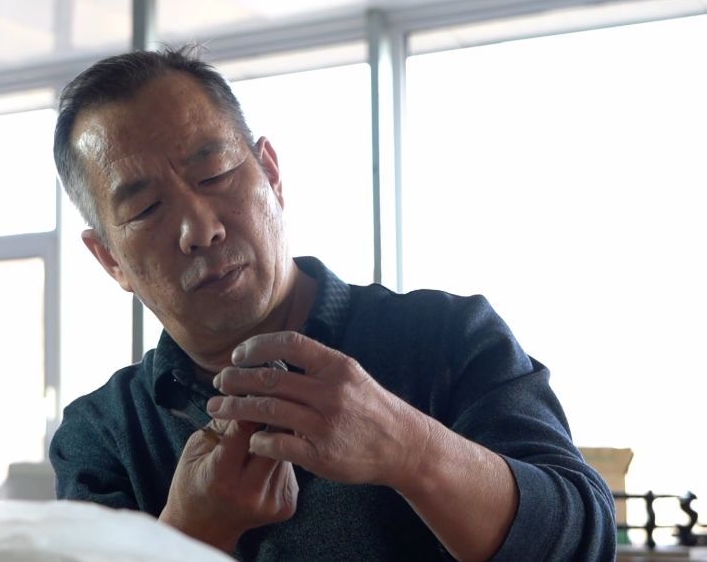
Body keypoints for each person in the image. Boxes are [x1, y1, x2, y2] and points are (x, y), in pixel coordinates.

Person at [48, 45, 615, 561]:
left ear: (271, 174)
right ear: (110, 259)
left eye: (214, 174)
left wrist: (410, 450)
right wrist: (192, 532)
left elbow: (584, 543)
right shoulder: (103, 433)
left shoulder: (448, 336)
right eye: (146, 209)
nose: (200, 229)